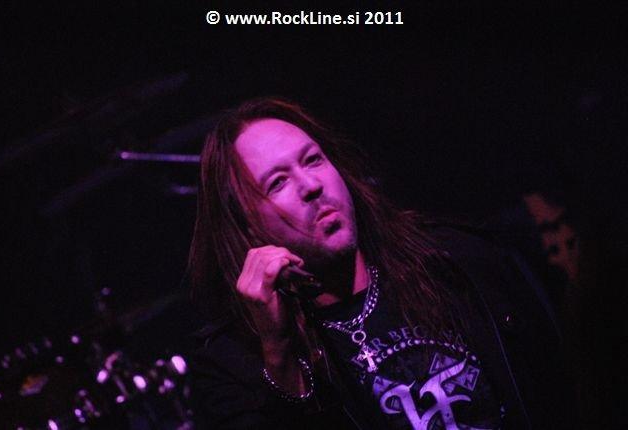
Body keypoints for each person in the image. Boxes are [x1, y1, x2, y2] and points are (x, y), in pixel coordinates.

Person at [187, 97, 576, 429]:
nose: (311, 186)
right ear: (246, 226)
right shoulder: (233, 367)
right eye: (278, 182)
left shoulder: (457, 263)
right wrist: (279, 352)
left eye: (313, 160)